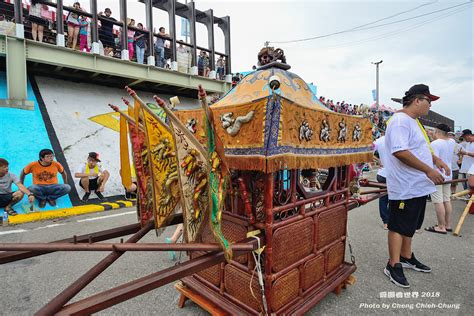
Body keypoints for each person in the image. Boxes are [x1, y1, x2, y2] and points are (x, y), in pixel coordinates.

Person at [384, 84, 449, 288]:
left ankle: (406, 256)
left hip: (417, 185)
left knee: (410, 225)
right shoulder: (401, 121)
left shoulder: (413, 122)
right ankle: (393, 264)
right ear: (418, 100)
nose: (430, 106)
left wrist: (435, 160)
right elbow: (400, 151)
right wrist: (428, 170)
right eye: (429, 101)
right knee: (398, 225)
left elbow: (417, 149)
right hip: (405, 185)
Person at [425, 124, 456, 234]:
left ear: (437, 131)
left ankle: (441, 226)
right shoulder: (452, 142)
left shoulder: (435, 144)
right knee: (446, 199)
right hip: (449, 174)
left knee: (438, 201)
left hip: (438, 175)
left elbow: (435, 160)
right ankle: (447, 224)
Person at [373, 133, 389, 229]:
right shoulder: (400, 138)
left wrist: (378, 160)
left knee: (383, 198)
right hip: (394, 175)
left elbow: (368, 151)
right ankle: (389, 220)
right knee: (394, 198)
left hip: (382, 173)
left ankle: (386, 222)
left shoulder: (380, 140)